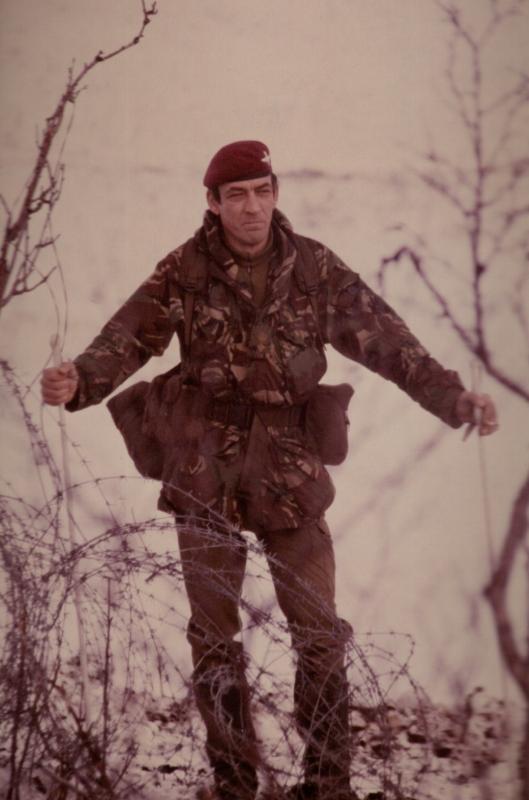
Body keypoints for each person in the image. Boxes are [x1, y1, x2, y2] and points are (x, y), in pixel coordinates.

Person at [41, 141, 499, 800]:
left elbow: (389, 344)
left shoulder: (314, 268)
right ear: (213, 203)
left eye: (260, 190)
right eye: (236, 195)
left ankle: (327, 783)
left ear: (275, 192)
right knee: (214, 638)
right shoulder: (184, 270)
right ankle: (233, 784)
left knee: (317, 635)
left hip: (289, 471)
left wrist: (454, 398)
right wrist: (77, 379)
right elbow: (128, 338)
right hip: (204, 467)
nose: (250, 206)